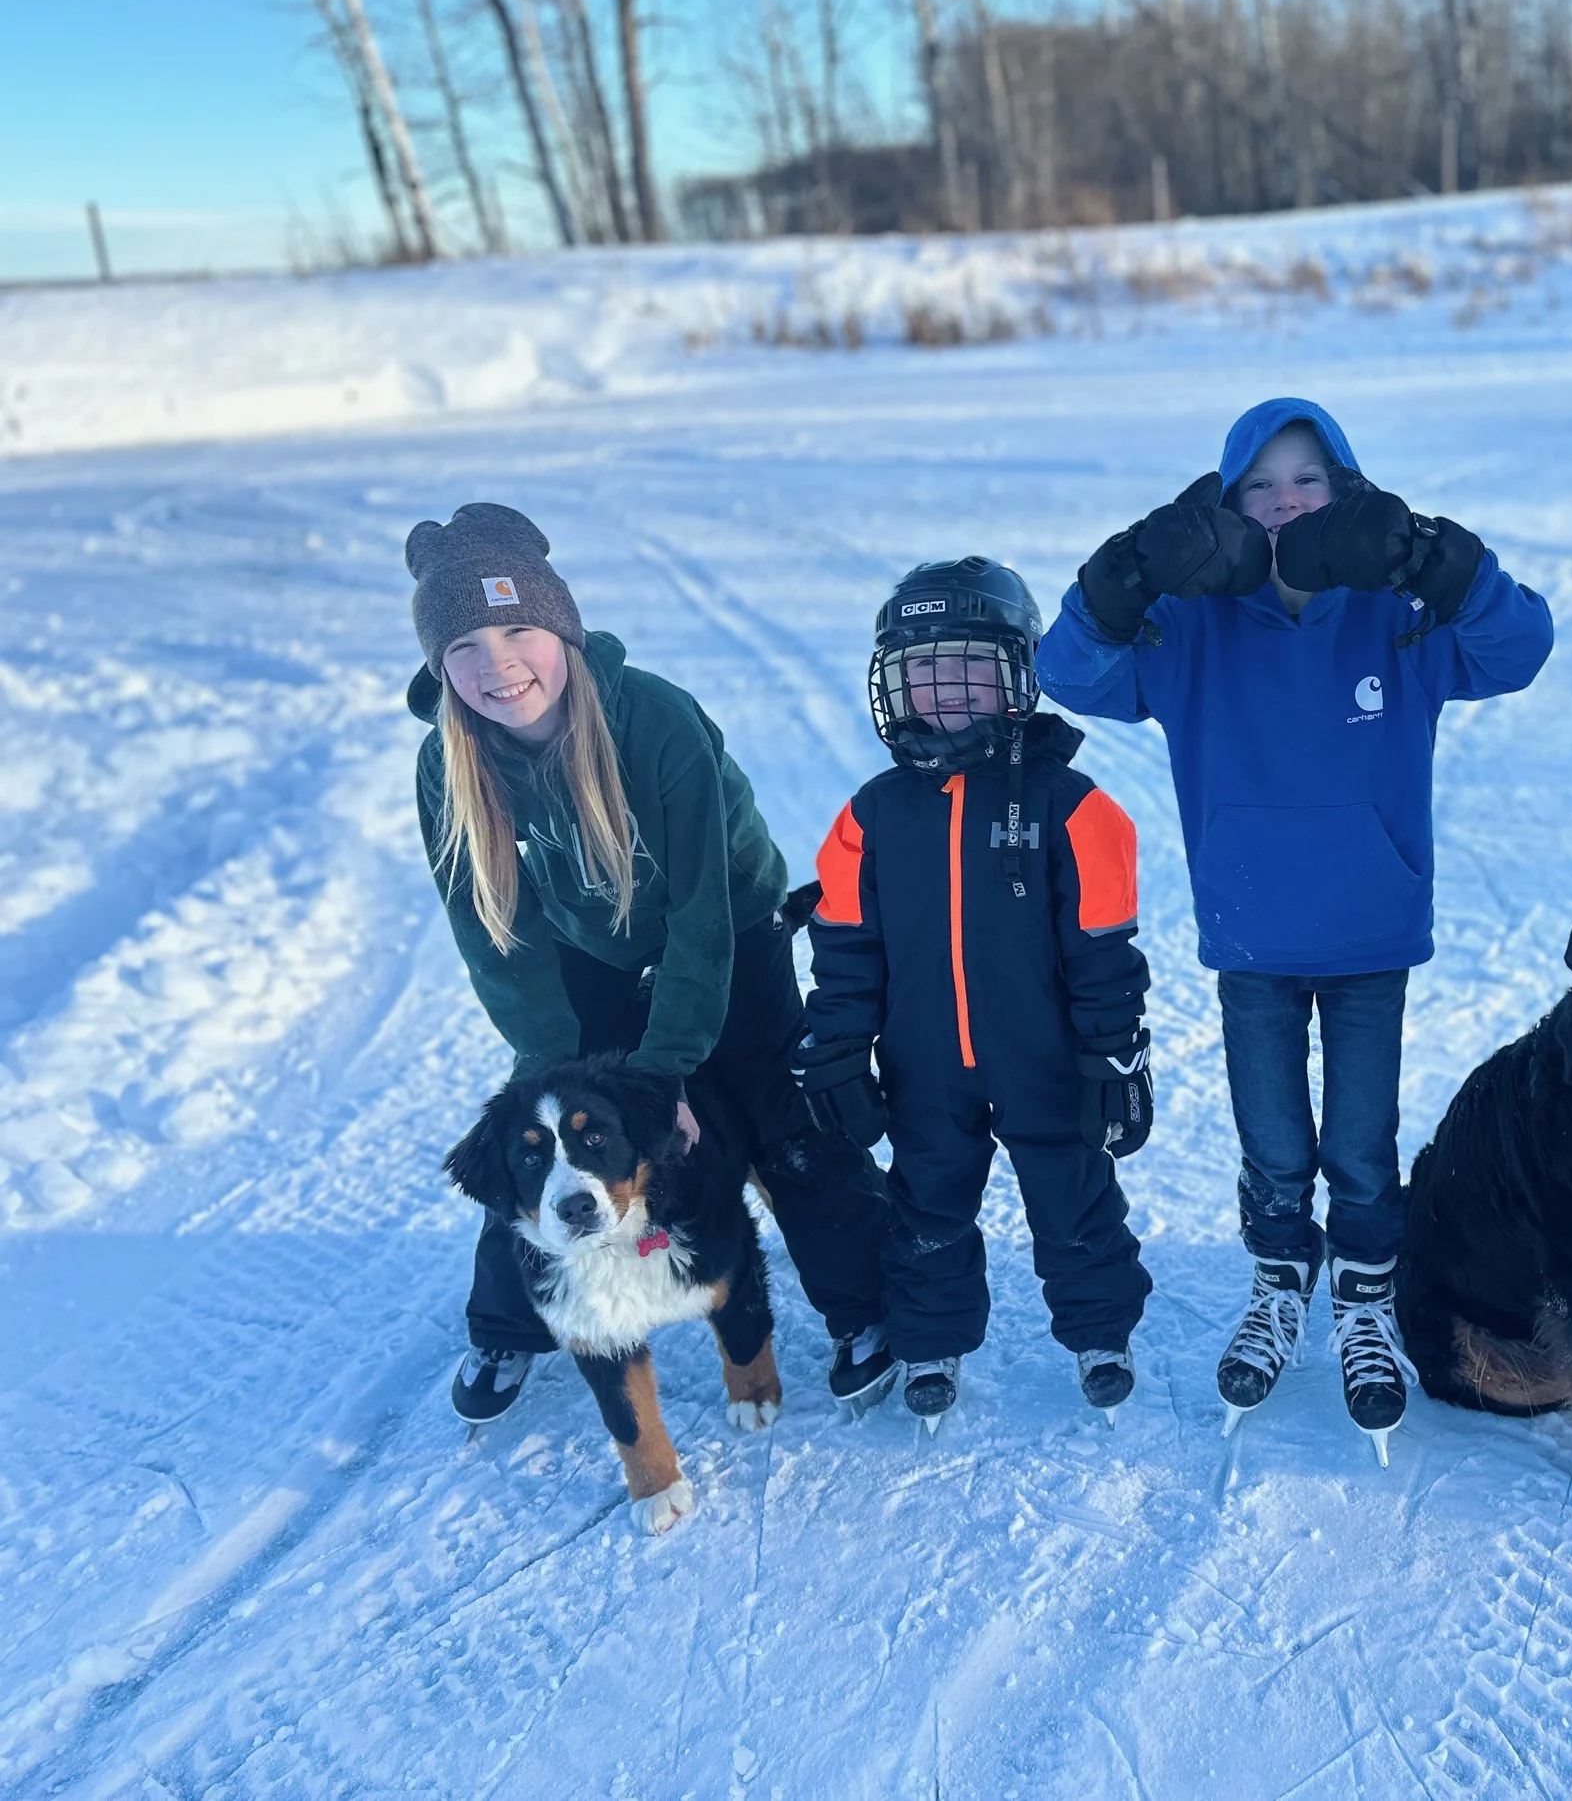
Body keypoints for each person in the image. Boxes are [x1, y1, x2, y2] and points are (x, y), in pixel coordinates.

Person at [1037, 398, 1555, 1457]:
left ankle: (1363, 1301)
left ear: (1346, 492)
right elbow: (1070, 673)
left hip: (1369, 927)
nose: (1284, 503)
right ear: (1225, 509)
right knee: (1273, 1142)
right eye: (1260, 487)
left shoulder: (1396, 613)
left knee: (1360, 1146)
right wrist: (1126, 575)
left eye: (1308, 481)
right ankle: (1281, 1285)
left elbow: (1519, 648)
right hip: (1251, 931)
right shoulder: (1185, 627)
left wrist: (1438, 561)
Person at [407, 503, 892, 1425]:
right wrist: (552, 1056)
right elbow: (491, 936)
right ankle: (512, 1323)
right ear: (438, 666)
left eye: (518, 628)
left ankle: (865, 1304)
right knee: (540, 1117)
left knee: (770, 1110)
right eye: (463, 644)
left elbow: (701, 916)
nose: (497, 664)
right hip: (584, 950)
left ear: (562, 628)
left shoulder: (655, 721)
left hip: (727, 926)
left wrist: (665, 1071)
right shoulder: (449, 763)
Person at [790, 558, 1156, 1431]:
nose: (946, 694)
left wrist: (1114, 1050)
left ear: (1016, 675)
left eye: (969, 671)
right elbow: (845, 950)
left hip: (1046, 1063)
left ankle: (1102, 1331)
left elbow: (1105, 949)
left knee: (1074, 1196)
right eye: (924, 672)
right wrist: (838, 1047)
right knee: (927, 1204)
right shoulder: (869, 817)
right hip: (924, 1068)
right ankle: (930, 1338)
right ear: (894, 683)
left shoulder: (1076, 808)